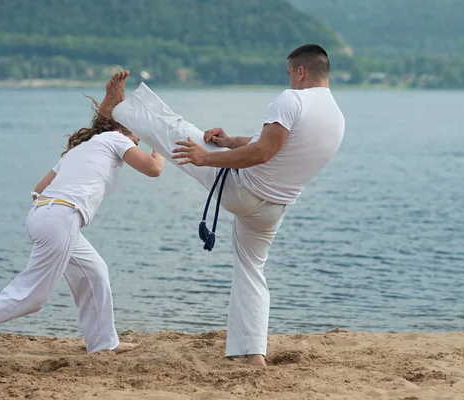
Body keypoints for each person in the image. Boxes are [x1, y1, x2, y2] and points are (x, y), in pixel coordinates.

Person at [101, 44, 345, 366]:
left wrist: (207, 158)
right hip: (274, 209)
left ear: (300, 71)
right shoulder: (336, 118)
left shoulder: (292, 100)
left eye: (289, 74)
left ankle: (117, 110)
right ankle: (252, 353)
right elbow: (273, 147)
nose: (289, 81)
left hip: (243, 190)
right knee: (252, 270)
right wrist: (230, 142)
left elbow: (262, 154)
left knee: (181, 134)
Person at [0, 87, 165, 355]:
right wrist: (160, 141)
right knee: (33, 296)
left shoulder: (81, 149)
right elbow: (154, 169)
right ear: (125, 130)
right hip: (61, 217)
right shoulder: (116, 139)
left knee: (95, 271)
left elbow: (39, 188)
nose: (136, 142)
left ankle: (104, 343)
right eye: (136, 137)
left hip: (45, 214)